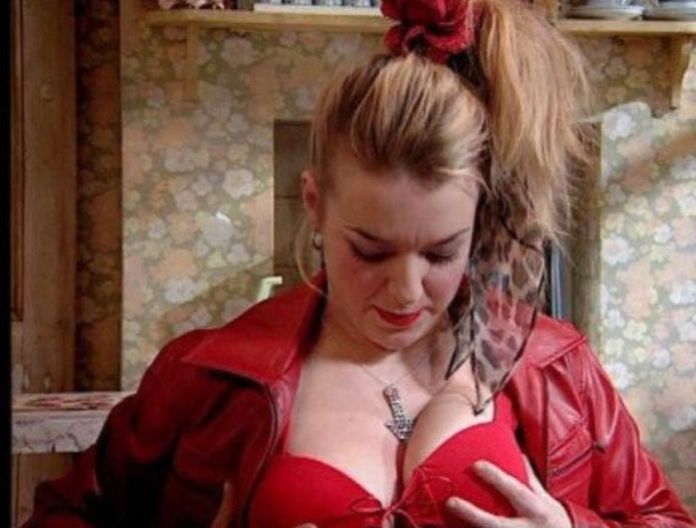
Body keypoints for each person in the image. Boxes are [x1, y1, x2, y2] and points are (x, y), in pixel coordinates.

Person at [24, 0, 695, 526]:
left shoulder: (556, 368)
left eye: (441, 252)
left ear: (479, 220)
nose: (405, 291)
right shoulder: (206, 377)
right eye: (370, 250)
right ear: (314, 204)